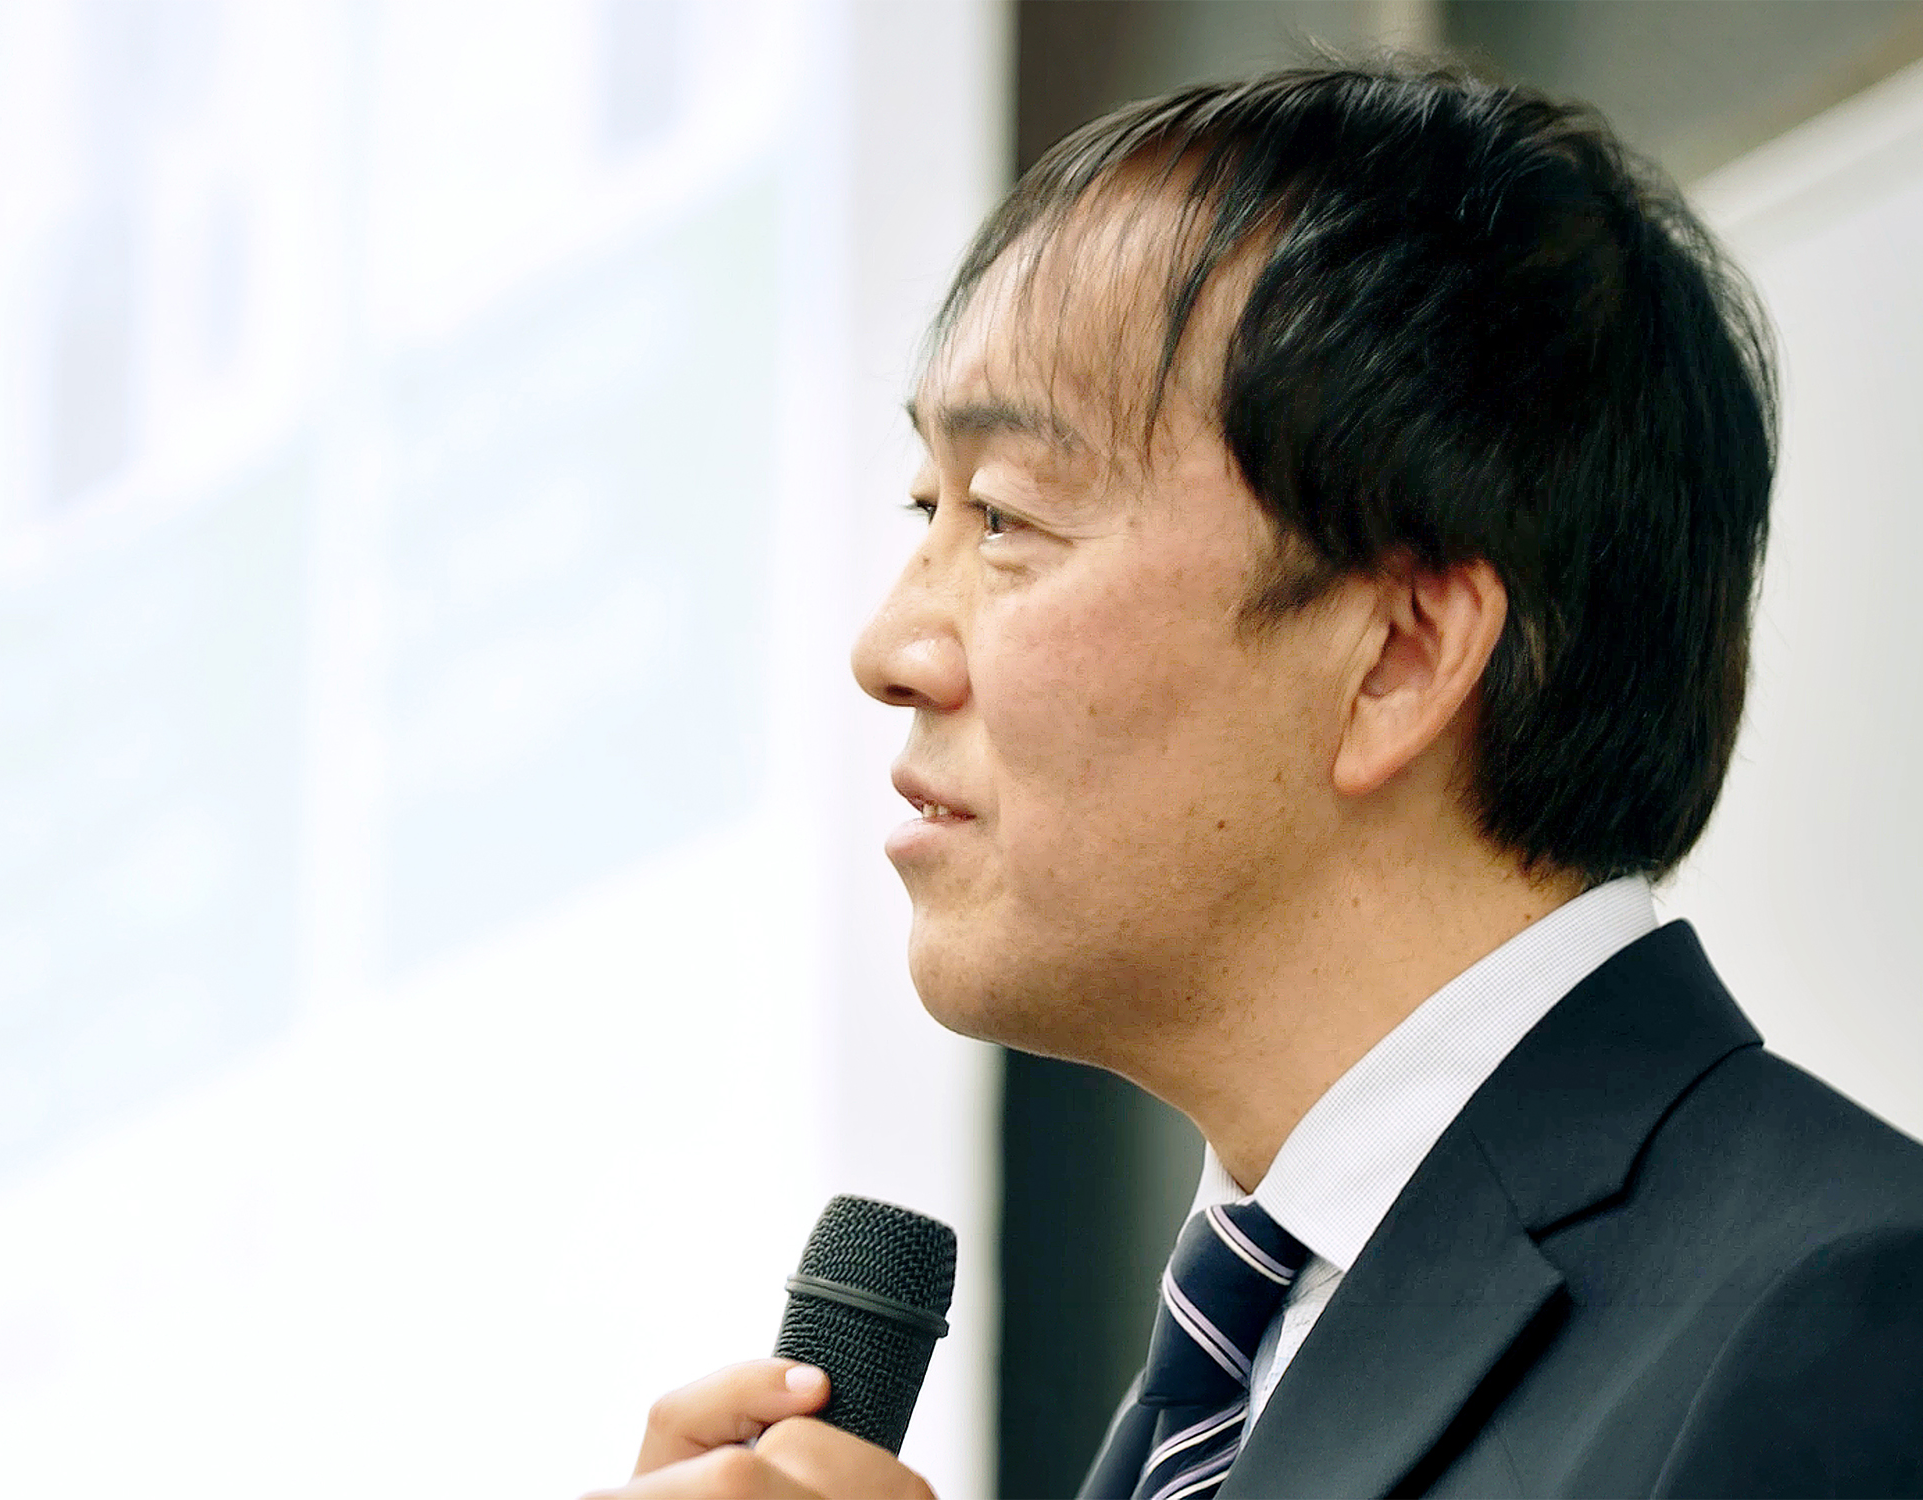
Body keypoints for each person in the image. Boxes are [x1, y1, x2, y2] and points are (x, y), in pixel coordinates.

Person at [593, 63, 1923, 1500]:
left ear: (1399, 657)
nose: (889, 649)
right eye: (927, 507)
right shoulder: (1238, 1366)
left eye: (1005, 516)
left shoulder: (1847, 1330)